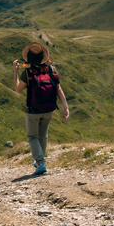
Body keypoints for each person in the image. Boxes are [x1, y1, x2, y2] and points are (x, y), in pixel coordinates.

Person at [13, 42, 69, 175]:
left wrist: (15, 72)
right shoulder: (51, 70)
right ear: (43, 56)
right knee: (43, 136)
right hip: (49, 109)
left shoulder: (28, 73)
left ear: (29, 58)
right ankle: (41, 160)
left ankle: (40, 162)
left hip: (33, 110)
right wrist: (65, 107)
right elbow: (59, 90)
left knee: (32, 136)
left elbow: (18, 89)